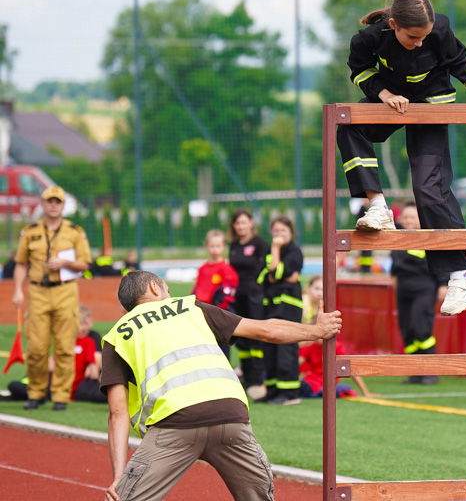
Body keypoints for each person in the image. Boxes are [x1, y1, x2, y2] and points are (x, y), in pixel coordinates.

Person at [338, 0, 466, 316]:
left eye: (424, 36)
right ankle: (377, 206)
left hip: (432, 107)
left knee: (427, 188)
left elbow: (462, 64)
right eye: (412, 37)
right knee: (348, 124)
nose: (420, 42)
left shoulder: (439, 30)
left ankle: (461, 275)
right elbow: (361, 71)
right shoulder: (367, 39)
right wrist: (384, 93)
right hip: (393, 102)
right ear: (393, 24)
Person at [100, 270, 342, 501]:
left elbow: (117, 413)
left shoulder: (117, 335)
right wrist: (316, 330)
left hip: (173, 423)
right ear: (155, 287)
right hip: (230, 417)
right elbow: (266, 330)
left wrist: (119, 476)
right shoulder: (190, 307)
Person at [12, 185, 92, 411]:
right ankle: (36, 392)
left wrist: (65, 263)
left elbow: (85, 264)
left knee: (65, 346)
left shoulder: (75, 232)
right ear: (43, 204)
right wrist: (17, 290)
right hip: (37, 291)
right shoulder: (30, 231)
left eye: (58, 202)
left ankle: (60, 395)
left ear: (63, 206)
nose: (53, 205)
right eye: (49, 201)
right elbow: (20, 264)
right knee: (37, 347)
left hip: (65, 290)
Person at [391, 203, 447, 384]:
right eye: (405, 217)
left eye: (412, 217)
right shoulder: (397, 237)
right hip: (403, 289)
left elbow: (441, 263)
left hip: (424, 288)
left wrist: (443, 285)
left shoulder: (429, 237)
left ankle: (431, 371)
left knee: (420, 327)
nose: (408, 221)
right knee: (407, 330)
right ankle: (416, 372)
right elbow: (396, 264)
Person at [5, 305, 106, 404]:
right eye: (80, 323)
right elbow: (50, 365)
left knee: (97, 393)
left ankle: (43, 394)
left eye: (85, 323)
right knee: (15, 386)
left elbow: (94, 369)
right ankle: (40, 393)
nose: (83, 327)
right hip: (62, 382)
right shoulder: (66, 338)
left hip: (80, 384)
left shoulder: (92, 338)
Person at [256, 216, 304, 405]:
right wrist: (275, 273)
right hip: (270, 306)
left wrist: (275, 253)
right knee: (270, 347)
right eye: (275, 231)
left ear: (291, 232)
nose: (278, 235)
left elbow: (276, 273)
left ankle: (289, 393)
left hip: (288, 306)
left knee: (286, 348)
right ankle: (273, 390)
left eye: (283, 231)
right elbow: (262, 275)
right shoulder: (267, 251)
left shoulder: (294, 251)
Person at [228, 208, 268, 399]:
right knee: (241, 338)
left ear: (251, 223)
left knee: (255, 336)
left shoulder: (259, 244)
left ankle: (258, 379)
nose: (241, 226)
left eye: (244, 222)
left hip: (254, 295)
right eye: (237, 223)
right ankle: (245, 377)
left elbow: (266, 268)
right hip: (238, 296)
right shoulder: (234, 245)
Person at [193, 229, 239, 358]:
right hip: (202, 312)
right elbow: (198, 288)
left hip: (219, 313)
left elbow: (229, 291)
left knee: (221, 348)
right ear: (207, 247)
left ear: (223, 247)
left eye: (218, 246)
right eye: (212, 246)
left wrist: (219, 306)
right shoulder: (203, 268)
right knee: (206, 347)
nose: (215, 249)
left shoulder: (226, 268)